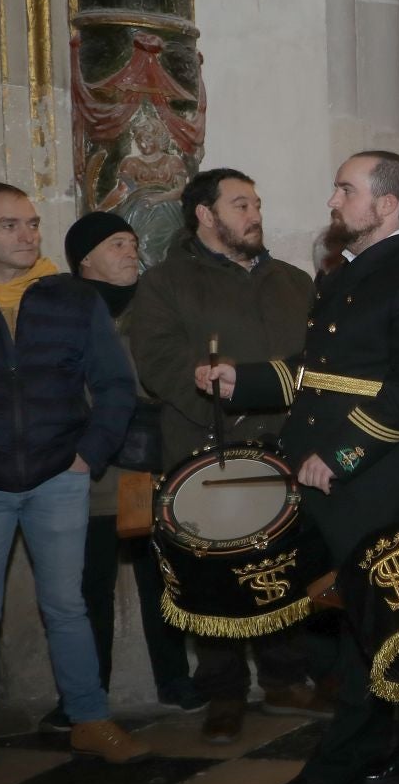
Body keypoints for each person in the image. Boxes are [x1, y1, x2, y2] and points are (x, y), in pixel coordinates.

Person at [198, 152, 399, 784]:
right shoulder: (351, 272)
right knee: (392, 617)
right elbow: (318, 370)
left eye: (346, 189)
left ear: (387, 205)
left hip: (385, 476)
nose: (333, 200)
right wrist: (246, 379)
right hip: (337, 473)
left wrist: (343, 454)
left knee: (371, 623)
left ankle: (341, 760)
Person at [0, 183, 150, 784]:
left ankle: (90, 720)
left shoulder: (72, 298)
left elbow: (117, 387)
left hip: (57, 477)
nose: (27, 236)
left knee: (67, 605)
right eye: (10, 225)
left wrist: (88, 455)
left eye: (33, 225)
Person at [131, 168, 331, 744]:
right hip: (207, 453)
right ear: (205, 214)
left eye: (256, 203)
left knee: (282, 571)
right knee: (214, 578)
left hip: (287, 451)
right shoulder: (166, 283)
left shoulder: (295, 282)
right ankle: (222, 692)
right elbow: (157, 360)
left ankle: (285, 679)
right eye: (240, 204)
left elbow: (317, 364)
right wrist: (212, 394)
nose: (254, 214)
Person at [50, 212, 197, 729]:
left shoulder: (153, 306)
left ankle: (175, 680)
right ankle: (84, 696)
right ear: (85, 257)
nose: (131, 252)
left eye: (134, 243)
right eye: (117, 244)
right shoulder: (60, 307)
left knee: (162, 577)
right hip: (83, 466)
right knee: (88, 585)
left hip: (145, 464)